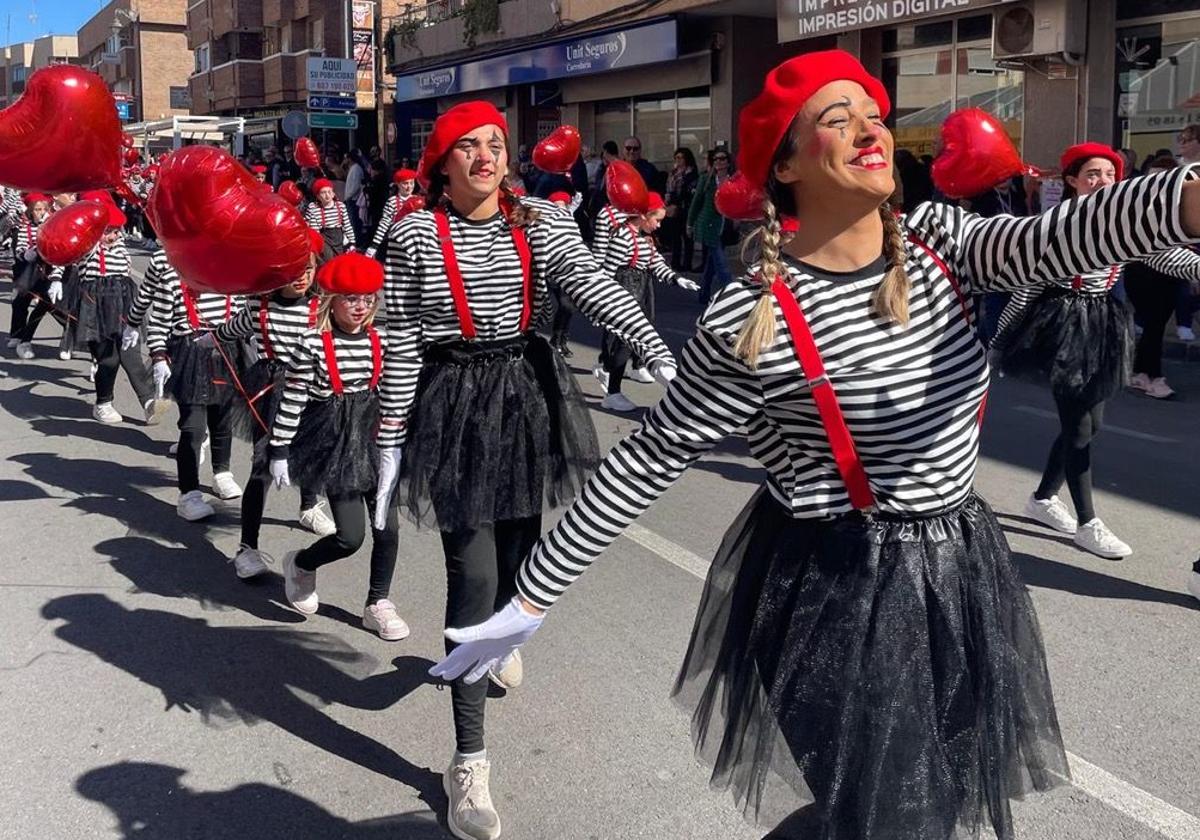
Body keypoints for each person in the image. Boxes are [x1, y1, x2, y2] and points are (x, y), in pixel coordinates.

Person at [430, 50, 1200, 840]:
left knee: (905, 812)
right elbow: (647, 460)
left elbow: (1077, 231)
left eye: (874, 117)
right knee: (894, 822)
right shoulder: (751, 317)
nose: (870, 131)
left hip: (959, 572)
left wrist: (1187, 196)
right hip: (833, 592)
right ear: (788, 165)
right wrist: (526, 601)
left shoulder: (944, 244)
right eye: (839, 120)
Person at [374, 101, 675, 840]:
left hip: (528, 398)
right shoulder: (414, 232)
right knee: (471, 581)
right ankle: (468, 762)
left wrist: (647, 345)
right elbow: (405, 338)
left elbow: (592, 287)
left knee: (518, 558)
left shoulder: (542, 219)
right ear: (442, 163)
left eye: (496, 145)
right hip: (452, 405)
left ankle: (499, 634)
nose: (486, 156)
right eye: (468, 147)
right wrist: (388, 439)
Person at [993, 142, 1200, 559]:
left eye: (1108, 174)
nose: (1102, 181)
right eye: (1092, 174)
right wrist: (1002, 337)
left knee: (1090, 425)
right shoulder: (1059, 221)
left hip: (1104, 320)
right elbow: (1029, 281)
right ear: (1072, 181)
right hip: (1061, 323)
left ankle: (1042, 498)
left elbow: (1163, 256)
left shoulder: (1125, 222)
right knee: (1080, 427)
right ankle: (1088, 523)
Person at [270, 253, 408, 642]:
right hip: (333, 444)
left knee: (387, 526)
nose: (360, 306)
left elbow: (395, 393)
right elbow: (293, 399)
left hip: (376, 441)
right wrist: (279, 448)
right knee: (350, 537)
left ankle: (378, 602)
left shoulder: (382, 339)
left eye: (367, 298)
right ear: (332, 300)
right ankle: (300, 563)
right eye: (350, 299)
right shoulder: (312, 344)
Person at [212, 231, 336, 577]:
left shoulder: (320, 306)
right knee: (263, 466)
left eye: (309, 269)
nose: (303, 277)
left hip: (313, 388)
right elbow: (232, 329)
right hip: (270, 391)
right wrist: (207, 339)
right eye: (295, 270)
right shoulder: (259, 306)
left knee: (313, 453)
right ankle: (247, 547)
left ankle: (309, 506)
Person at [132, 249, 251, 521]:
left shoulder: (233, 276)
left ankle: (222, 472)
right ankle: (189, 493)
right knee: (193, 426)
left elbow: (246, 316)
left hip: (226, 352)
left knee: (222, 420)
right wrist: (159, 356)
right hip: (189, 352)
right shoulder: (174, 277)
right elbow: (160, 321)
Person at [61, 193, 167, 426]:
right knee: (108, 359)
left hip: (122, 303)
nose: (115, 235)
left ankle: (149, 402)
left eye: (117, 231)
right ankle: (103, 403)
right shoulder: (87, 250)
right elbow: (69, 248)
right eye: (109, 231)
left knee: (131, 355)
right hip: (95, 307)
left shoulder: (121, 247)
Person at [594, 192, 699, 411]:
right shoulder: (623, 236)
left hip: (640, 289)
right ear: (643, 216)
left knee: (637, 337)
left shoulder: (643, 238)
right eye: (657, 220)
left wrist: (677, 279)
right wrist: (601, 302)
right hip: (624, 289)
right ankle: (612, 390)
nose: (659, 225)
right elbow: (608, 270)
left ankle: (615, 376)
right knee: (626, 341)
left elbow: (655, 264)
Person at [1125, 155, 1200, 398]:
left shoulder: (1179, 206)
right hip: (1141, 272)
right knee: (1153, 323)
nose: (1157, 180)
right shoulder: (1136, 204)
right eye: (1153, 175)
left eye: (1164, 176)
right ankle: (1152, 376)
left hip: (1170, 273)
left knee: (1154, 326)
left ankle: (1142, 373)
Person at [9, 193, 59, 358]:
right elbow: (20, 250)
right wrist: (28, 252)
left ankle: (26, 340)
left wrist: (47, 227)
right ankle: (17, 335)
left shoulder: (52, 225)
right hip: (29, 271)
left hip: (48, 271)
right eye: (37, 209)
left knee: (45, 305)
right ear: (31, 211)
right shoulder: (25, 228)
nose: (40, 212)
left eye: (43, 209)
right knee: (20, 303)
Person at [687, 147, 734, 306]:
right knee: (721, 264)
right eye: (716, 159)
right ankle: (731, 297)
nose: (719, 162)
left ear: (728, 162)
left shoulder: (733, 180)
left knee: (711, 264)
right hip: (708, 226)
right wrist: (690, 223)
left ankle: (703, 293)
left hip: (725, 225)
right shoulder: (706, 179)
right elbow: (696, 202)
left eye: (722, 159)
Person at [365, 168, 418, 260]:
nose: (409, 187)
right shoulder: (392, 201)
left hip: (415, 243)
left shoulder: (418, 200)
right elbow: (384, 224)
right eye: (405, 183)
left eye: (411, 183)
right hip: (397, 243)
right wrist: (374, 246)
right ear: (398, 184)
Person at [663, 148, 699, 272]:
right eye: (676, 157)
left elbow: (690, 192)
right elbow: (668, 188)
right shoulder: (673, 173)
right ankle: (675, 263)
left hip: (686, 208)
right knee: (675, 237)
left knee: (687, 238)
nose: (678, 160)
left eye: (681, 157)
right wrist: (667, 202)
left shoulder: (691, 173)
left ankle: (687, 264)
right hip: (673, 208)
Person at [305, 178, 356, 259]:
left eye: (329, 192)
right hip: (323, 237)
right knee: (328, 259)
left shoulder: (341, 206)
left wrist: (352, 242)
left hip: (338, 236)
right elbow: (314, 230)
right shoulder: (313, 207)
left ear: (333, 194)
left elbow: (347, 225)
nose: (327, 195)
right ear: (318, 196)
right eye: (323, 193)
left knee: (339, 259)